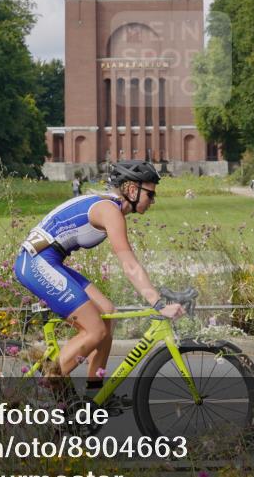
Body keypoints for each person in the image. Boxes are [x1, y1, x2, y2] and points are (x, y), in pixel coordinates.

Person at [13, 160, 185, 401]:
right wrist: (158, 304)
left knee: (107, 313)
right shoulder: (109, 211)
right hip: (35, 262)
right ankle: (42, 389)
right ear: (132, 189)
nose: (153, 201)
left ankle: (95, 395)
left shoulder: (110, 206)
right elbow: (129, 265)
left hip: (48, 261)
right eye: (150, 194)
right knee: (94, 330)